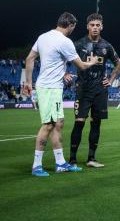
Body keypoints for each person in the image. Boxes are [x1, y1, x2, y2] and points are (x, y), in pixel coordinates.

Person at [23, 12, 96, 176]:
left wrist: (28, 82)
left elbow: (29, 59)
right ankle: (36, 166)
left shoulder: (43, 37)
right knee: (48, 125)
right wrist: (91, 62)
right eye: (73, 27)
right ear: (70, 25)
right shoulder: (65, 42)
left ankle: (61, 163)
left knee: (58, 123)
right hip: (50, 88)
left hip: (49, 87)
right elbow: (81, 66)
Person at [69, 13, 120, 168]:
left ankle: (91, 158)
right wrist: (65, 73)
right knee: (79, 123)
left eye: (98, 25)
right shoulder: (78, 44)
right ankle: (72, 159)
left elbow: (118, 64)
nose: (95, 28)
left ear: (102, 27)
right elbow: (63, 58)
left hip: (100, 90)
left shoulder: (107, 46)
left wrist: (111, 80)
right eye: (92, 25)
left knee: (96, 124)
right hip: (83, 89)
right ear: (87, 26)